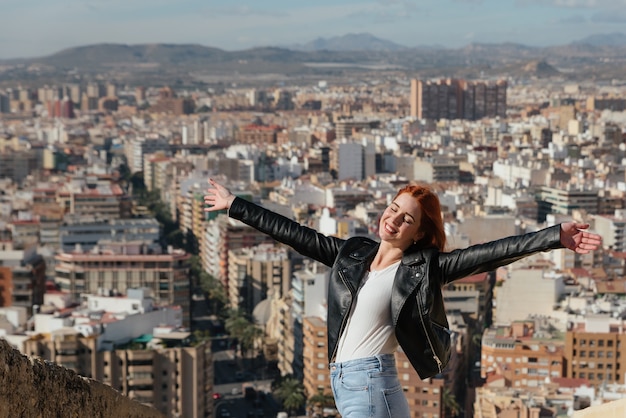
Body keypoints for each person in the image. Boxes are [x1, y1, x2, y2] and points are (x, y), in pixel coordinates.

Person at [204, 178, 602, 418]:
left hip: (370, 382)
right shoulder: (352, 254)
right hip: (354, 383)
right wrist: (235, 206)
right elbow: (294, 233)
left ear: (418, 233)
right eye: (393, 209)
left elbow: (493, 252)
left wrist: (554, 238)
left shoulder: (424, 268)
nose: (392, 219)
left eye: (406, 218)